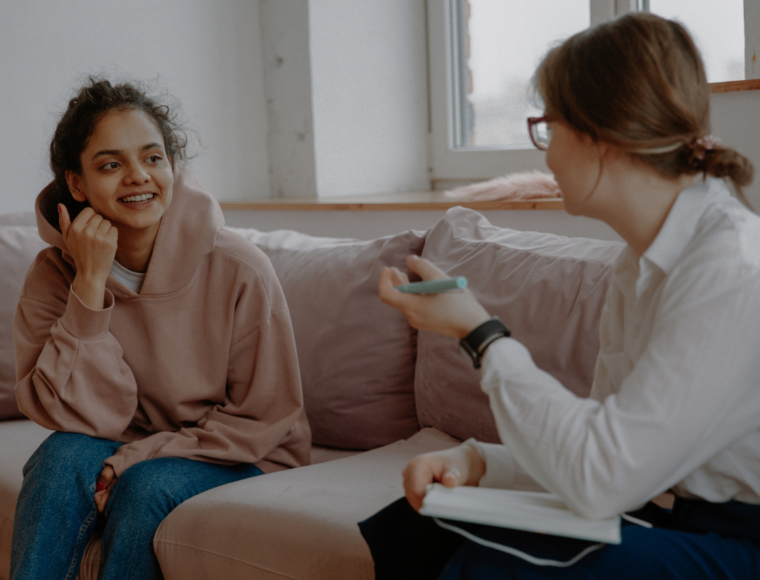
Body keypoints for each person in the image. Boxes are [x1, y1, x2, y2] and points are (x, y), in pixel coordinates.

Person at [367, 12, 760, 580]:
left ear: (602, 137)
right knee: (420, 522)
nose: (546, 155)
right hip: (675, 516)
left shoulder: (728, 270)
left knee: (494, 565)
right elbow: (600, 440)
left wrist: (482, 334)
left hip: (741, 542)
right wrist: (480, 462)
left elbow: (602, 478)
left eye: (549, 129)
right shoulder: (639, 265)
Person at [10, 78, 310, 580]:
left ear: (173, 165)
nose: (137, 177)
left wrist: (137, 455)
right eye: (111, 164)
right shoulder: (53, 275)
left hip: (245, 453)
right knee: (60, 457)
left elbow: (265, 415)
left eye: (152, 158)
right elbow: (65, 414)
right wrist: (89, 285)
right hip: (125, 441)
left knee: (145, 486)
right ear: (77, 184)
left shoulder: (240, 268)